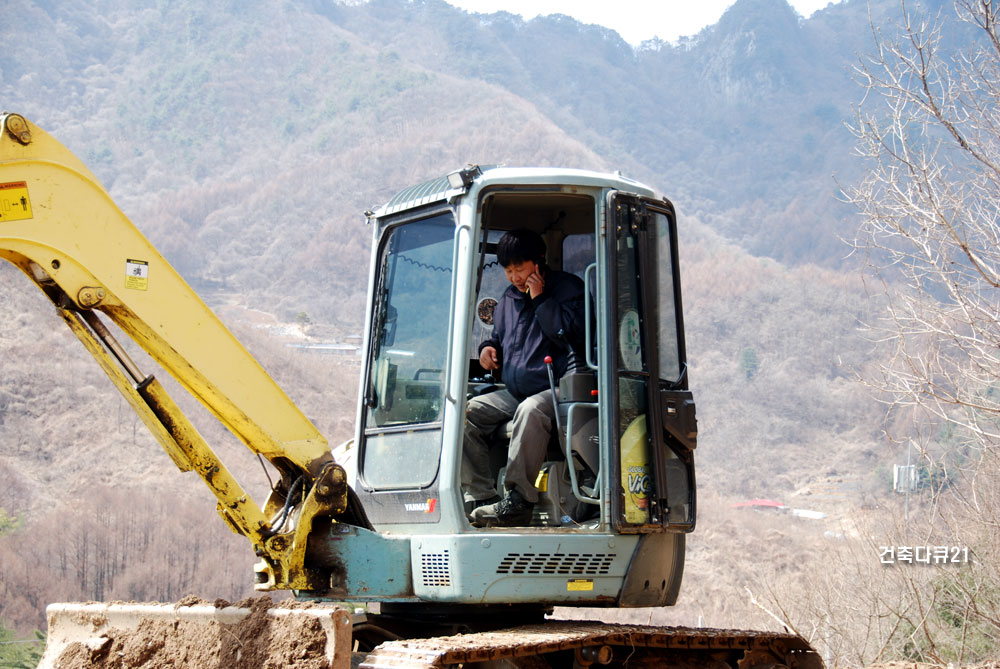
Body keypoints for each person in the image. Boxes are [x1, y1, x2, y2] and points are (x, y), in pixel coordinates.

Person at [463, 228, 586, 527]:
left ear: (538, 261)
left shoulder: (568, 289)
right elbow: (499, 337)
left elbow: (570, 336)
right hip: (517, 389)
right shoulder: (507, 300)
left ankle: (519, 500)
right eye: (508, 270)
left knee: (529, 410)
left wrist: (541, 299)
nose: (515, 277)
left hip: (559, 387)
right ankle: (483, 498)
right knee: (466, 415)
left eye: (520, 268)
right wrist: (488, 348)